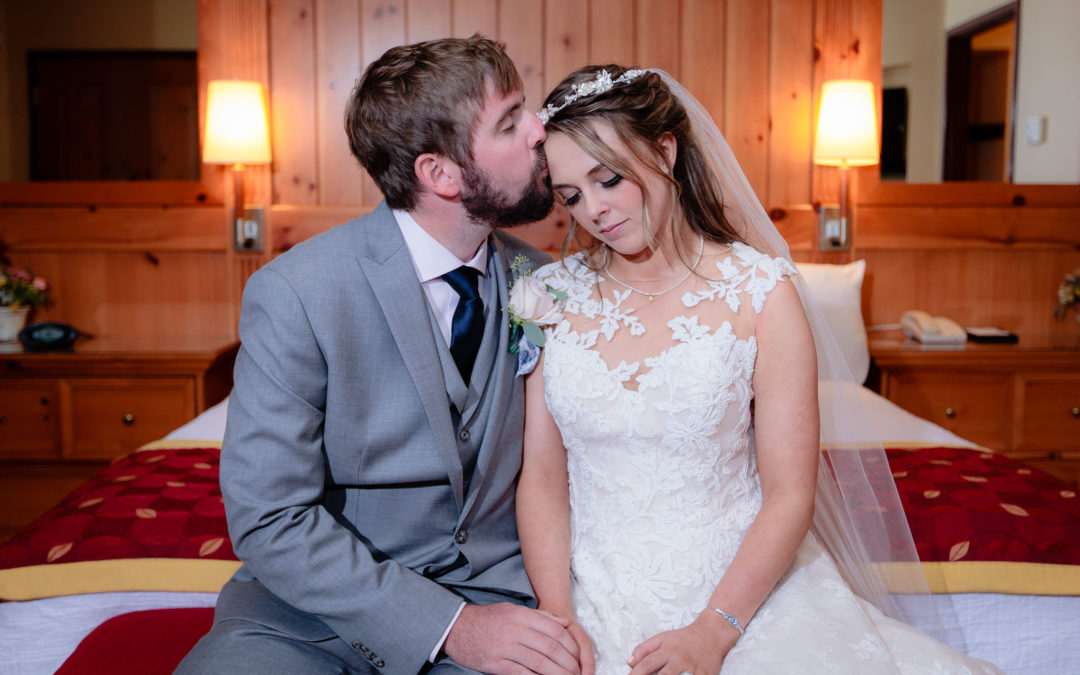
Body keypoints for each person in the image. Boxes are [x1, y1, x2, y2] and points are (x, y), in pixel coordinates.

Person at [516, 65, 1005, 675]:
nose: (595, 211)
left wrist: (711, 633)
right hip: (594, 591)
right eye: (570, 197)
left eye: (609, 179)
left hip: (739, 592)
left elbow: (791, 493)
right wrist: (558, 614)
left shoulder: (761, 292)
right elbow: (540, 476)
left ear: (664, 150)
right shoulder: (547, 298)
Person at [179, 37, 584, 675]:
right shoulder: (297, 293)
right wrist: (449, 626)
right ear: (440, 175)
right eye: (510, 122)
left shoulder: (548, 282)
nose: (541, 130)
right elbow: (268, 517)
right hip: (309, 619)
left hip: (502, 605)